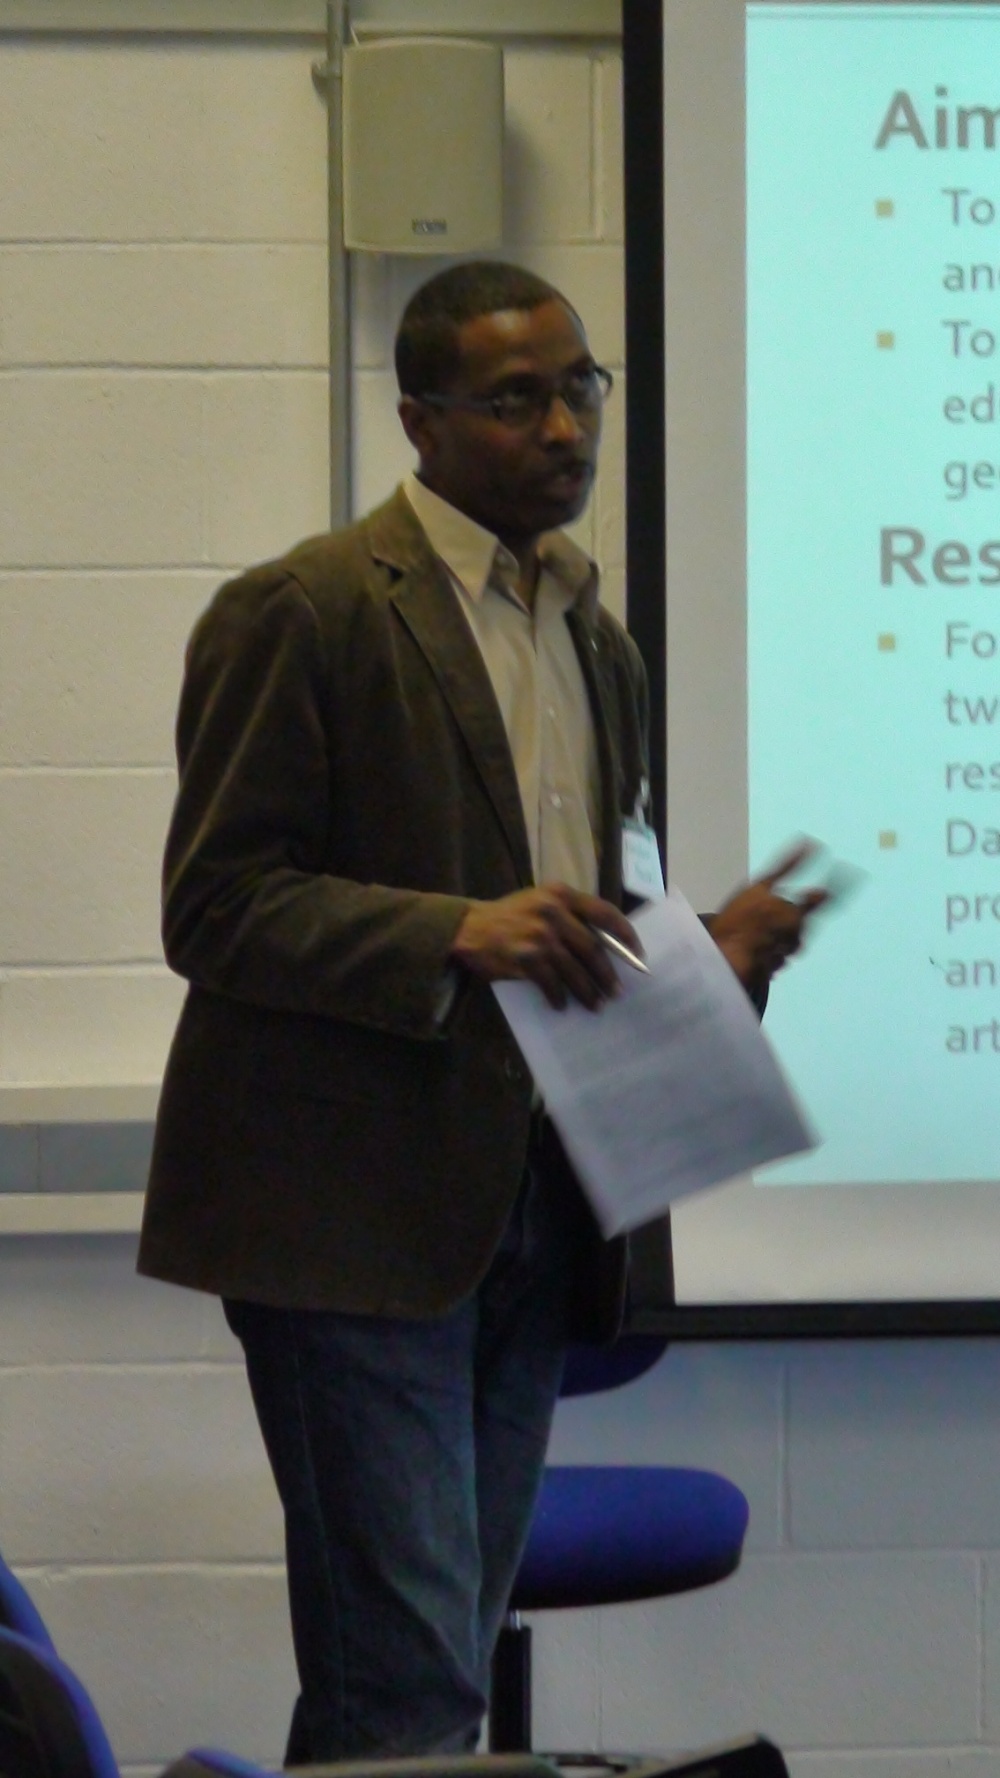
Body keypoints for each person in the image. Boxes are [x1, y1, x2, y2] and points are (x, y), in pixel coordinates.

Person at [138, 260, 820, 1763]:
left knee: (435, 1662)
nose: (565, 428)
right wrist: (456, 929)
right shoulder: (306, 612)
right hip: (351, 1222)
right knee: (410, 1683)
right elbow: (217, 906)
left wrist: (702, 957)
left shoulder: (599, 642)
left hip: (535, 1206)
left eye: (581, 389)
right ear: (420, 420)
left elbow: (589, 922)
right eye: (517, 400)